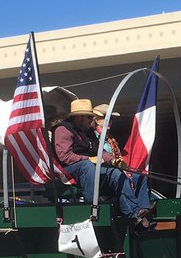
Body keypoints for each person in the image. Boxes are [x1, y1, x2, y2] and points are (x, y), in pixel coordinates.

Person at [53, 98, 152, 229]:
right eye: (89, 117)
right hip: (70, 170)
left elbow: (100, 151)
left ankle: (143, 209)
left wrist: (114, 160)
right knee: (93, 168)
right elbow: (64, 156)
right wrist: (89, 159)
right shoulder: (63, 129)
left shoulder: (88, 132)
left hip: (92, 168)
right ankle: (131, 214)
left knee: (137, 176)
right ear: (79, 117)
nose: (91, 120)